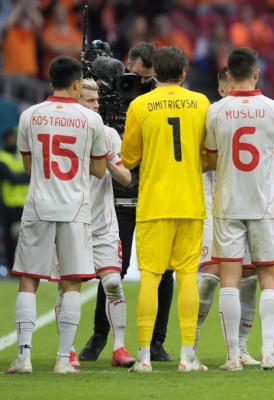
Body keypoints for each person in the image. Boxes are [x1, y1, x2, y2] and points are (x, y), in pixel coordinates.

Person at [5, 56, 108, 374]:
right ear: (78, 83)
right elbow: (101, 169)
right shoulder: (91, 120)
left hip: (38, 205)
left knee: (28, 279)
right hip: (75, 207)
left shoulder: (29, 115)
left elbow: (27, 165)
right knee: (72, 281)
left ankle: (23, 357)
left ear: (50, 81)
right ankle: (64, 359)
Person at [80, 42, 175, 363]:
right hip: (116, 197)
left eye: (149, 79)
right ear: (126, 66)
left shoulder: (158, 102)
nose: (142, 84)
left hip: (152, 194)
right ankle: (99, 337)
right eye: (136, 77)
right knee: (111, 272)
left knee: (162, 271)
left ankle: (156, 342)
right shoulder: (101, 100)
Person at [121, 46, 210, 373]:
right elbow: (209, 154)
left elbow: (128, 158)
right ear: (184, 71)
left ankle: (143, 357)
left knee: (150, 277)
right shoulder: (201, 102)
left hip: (153, 203)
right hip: (190, 202)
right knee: (187, 276)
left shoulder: (139, 104)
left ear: (154, 72)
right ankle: (187, 355)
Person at [205, 47, 274, 371]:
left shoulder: (216, 110)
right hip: (264, 202)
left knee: (230, 276)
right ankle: (268, 353)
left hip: (227, 202)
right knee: (268, 275)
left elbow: (211, 159)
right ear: (257, 73)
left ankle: (232, 358)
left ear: (228, 76)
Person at [195, 66, 261, 367]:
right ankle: (190, 343)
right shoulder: (210, 115)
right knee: (209, 277)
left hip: (246, 204)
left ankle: (240, 347)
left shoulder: (257, 113)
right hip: (211, 204)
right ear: (223, 89)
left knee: (249, 278)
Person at [70, 78, 135, 367]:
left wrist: (107, 159)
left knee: (112, 282)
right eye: (89, 101)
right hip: (72, 222)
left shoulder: (109, 134)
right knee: (68, 286)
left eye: (97, 102)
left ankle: (119, 349)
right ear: (75, 101)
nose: (96, 107)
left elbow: (126, 178)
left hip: (103, 224)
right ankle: (67, 350)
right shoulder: (67, 131)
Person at [0, 128, 30, 272]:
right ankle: (12, 268)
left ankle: (27, 267)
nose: (12, 141)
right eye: (9, 139)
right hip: (9, 206)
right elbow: (14, 178)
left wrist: (20, 177)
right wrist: (23, 177)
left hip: (25, 204)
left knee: (27, 239)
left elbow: (30, 174)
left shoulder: (19, 156)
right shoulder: (1, 158)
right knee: (11, 239)